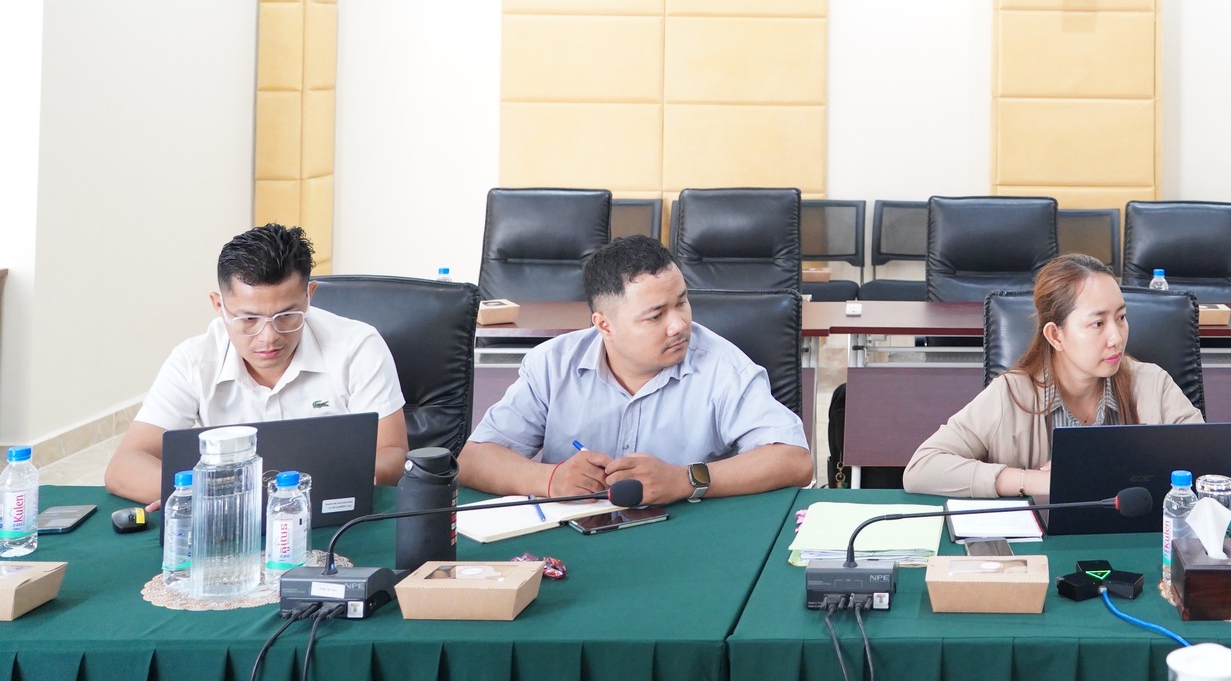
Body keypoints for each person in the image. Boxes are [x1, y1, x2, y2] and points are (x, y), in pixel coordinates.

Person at [460, 234, 810, 504]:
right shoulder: (553, 364)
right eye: (655, 316)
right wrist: (551, 479)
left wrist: (684, 480)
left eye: (682, 302)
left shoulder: (723, 367)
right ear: (605, 325)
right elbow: (475, 459)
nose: (679, 325)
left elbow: (794, 460)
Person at [106, 224, 408, 505]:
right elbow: (125, 466)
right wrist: (211, 498)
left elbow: (392, 453)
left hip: (331, 510)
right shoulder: (195, 360)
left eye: (286, 316)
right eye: (249, 318)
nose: (269, 337)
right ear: (219, 306)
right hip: (230, 515)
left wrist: (330, 483)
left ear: (309, 297)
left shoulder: (357, 347)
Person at [905, 253, 1202, 498]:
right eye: (1098, 324)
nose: (1117, 338)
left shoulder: (1153, 384)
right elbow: (922, 468)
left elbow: (1208, 466)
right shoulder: (1011, 394)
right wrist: (1032, 480)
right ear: (1056, 335)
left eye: (1121, 318)